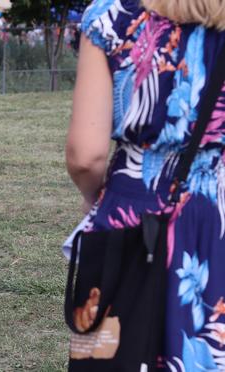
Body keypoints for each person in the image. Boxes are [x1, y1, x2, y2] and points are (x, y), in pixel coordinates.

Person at [65, 0, 225, 368]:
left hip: (132, 214)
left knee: (111, 353)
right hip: (217, 214)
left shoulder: (111, 17)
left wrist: (95, 198)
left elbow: (85, 156)